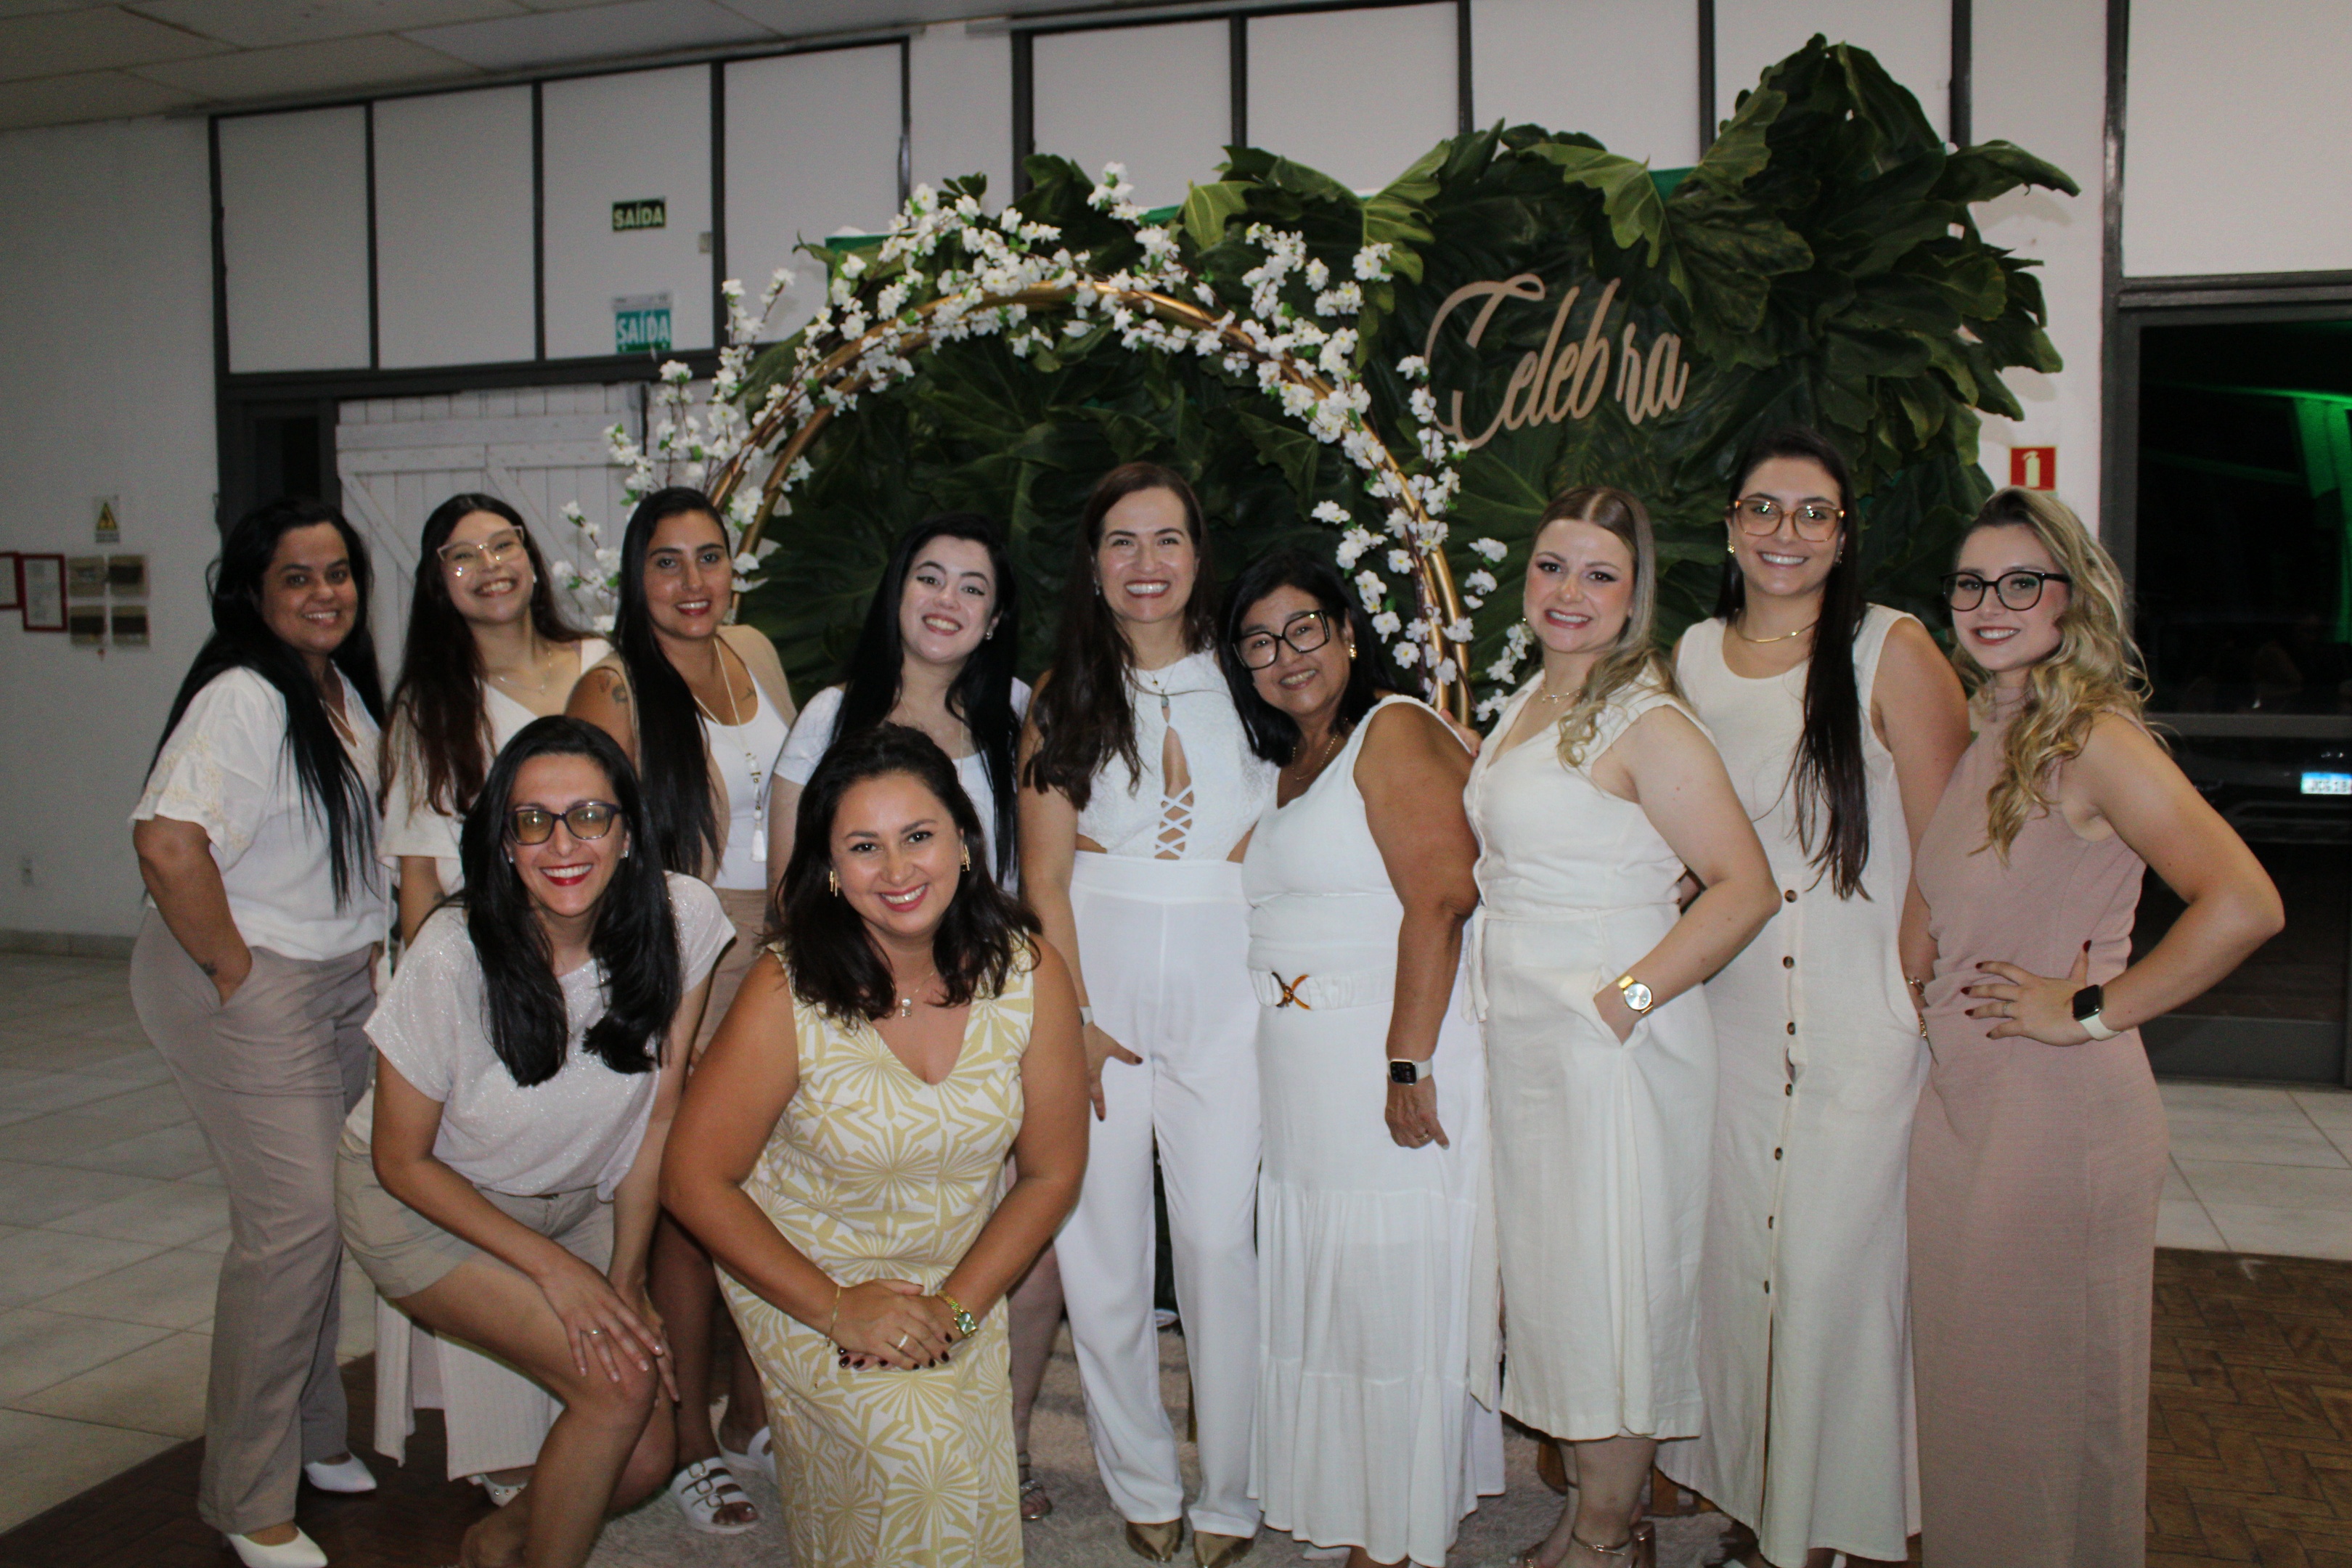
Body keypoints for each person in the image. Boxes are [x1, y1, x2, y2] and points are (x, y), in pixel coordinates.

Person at [1906, 489, 2282, 1568]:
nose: (1990, 604)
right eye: (1972, 584)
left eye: (2021, 582)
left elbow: (2245, 903)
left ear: (2073, 598)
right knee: (1978, 1414)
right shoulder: (1992, 729)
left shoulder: (2093, 738)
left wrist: (2085, 1011)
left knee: (2045, 1427)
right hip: (1970, 1111)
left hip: (2055, 1122)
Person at [662, 723, 1089, 1566]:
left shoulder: (1029, 972)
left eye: (918, 836)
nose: (897, 870)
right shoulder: (786, 988)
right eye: (864, 847)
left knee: (963, 1489)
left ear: (963, 840)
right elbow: (694, 1180)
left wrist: (956, 1311)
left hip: (958, 1272)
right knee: (918, 1465)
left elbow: (1051, 1173)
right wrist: (835, 1307)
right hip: (806, 1272)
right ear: (830, 868)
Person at [1655, 430, 1970, 1568]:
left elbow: (1950, 853)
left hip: (1860, 1013)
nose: (1785, 533)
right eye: (1764, 509)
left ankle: (1836, 1525)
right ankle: (1761, 1504)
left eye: (1814, 513)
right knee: (1741, 1270)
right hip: (1733, 1018)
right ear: (1730, 525)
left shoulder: (1892, 649)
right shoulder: (1693, 655)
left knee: (1833, 1276)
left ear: (1844, 534)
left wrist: (1914, 1001)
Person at [1463, 486, 1779, 1568]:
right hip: (1529, 1042)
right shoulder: (1531, 703)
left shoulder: (1648, 720)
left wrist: (1624, 1005)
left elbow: (1744, 887)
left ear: (1635, 595)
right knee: (1559, 1285)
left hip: (1610, 1053)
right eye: (1553, 567)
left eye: (1600, 574)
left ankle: (1606, 1532)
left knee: (1613, 1286)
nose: (1570, 592)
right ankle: (1597, 1511)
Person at [338, 716, 729, 1568]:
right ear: (504, 843)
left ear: (628, 833)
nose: (562, 844)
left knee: (646, 1455)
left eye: (589, 816)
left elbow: (658, 1118)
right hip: (429, 1206)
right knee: (619, 1388)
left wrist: (625, 1277)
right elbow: (399, 1161)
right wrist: (559, 1273)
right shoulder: (451, 955)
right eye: (533, 821)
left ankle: (497, 1542)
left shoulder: (683, 918)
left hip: (579, 1202)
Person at [772, 512, 1067, 1519]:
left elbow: (1045, 865)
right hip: (854, 1002)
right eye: (930, 577)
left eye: (974, 588)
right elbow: (793, 891)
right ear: (897, 592)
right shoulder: (830, 715)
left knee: (1029, 1244)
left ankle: (1002, 1438)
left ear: (996, 618)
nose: (949, 601)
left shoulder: (1017, 714)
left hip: (987, 1002)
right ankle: (832, 1413)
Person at [1220, 550, 1504, 1568]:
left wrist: (1405, 1061)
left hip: (1387, 1055)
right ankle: (1354, 1503)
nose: (1285, 656)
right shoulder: (1292, 761)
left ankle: (1394, 1530)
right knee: (1337, 1295)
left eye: (1304, 628)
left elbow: (1444, 895)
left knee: (1388, 1292)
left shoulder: (1392, 729)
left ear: (1347, 630)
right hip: (1306, 1077)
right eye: (1260, 642)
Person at [1019, 462, 1275, 1566]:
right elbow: (1043, 879)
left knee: (1219, 1243)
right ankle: (1137, 1475)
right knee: (1102, 1248)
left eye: (1167, 539)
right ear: (1093, 564)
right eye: (1122, 541)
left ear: (1198, 554)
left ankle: (1233, 1489)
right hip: (1098, 983)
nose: (1146, 563)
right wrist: (1072, 1018)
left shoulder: (1255, 678)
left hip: (1230, 987)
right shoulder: (1061, 694)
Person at [129, 498, 388, 1568]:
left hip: (333, 976)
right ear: (252, 592)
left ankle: (312, 1434)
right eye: (298, 577)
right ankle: (245, 1493)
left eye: (339, 573)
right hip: (250, 974)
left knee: (325, 1217)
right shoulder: (242, 695)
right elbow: (167, 843)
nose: (326, 593)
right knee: (293, 1229)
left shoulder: (336, 691)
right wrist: (235, 972)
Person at [567, 484, 796, 1532]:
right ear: (635, 576)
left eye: (710, 557)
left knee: (777, 1192)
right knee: (692, 1206)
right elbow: (590, 850)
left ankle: (752, 1413)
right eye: (667, 561)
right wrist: (652, 989)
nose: (693, 582)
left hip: (784, 951)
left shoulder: (755, 651)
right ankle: (690, 1439)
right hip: (684, 952)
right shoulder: (613, 687)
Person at [375, 492, 609, 1503]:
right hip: (485, 978)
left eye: (502, 543)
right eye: (461, 555)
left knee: (594, 1183)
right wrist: (452, 1005)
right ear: (439, 582)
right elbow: (420, 878)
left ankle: (598, 1411)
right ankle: (507, 1459)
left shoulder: (600, 662)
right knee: (484, 1189)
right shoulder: (433, 705)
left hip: (599, 962)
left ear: (532, 556)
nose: (488, 565)